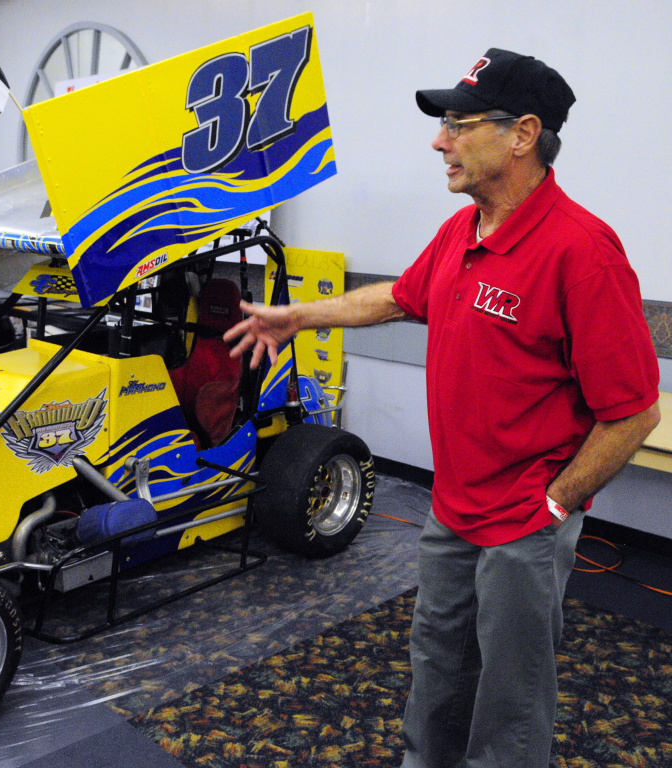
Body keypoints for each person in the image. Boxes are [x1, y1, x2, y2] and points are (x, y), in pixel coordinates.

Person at [224, 48, 661, 767]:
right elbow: (397, 296)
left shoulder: (583, 252)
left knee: (511, 699)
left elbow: (635, 411)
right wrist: (299, 317)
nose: (439, 141)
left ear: (522, 135)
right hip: (453, 509)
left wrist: (555, 505)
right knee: (437, 668)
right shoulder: (464, 231)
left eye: (459, 125)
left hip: (524, 519)